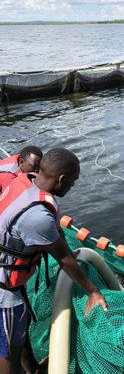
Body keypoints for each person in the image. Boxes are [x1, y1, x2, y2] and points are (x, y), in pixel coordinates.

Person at [0, 148, 107, 374]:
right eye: (73, 181)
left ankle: (33, 371)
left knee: (19, 340)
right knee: (8, 354)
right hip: (4, 293)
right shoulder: (37, 216)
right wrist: (92, 291)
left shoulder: (23, 181)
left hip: (11, 283)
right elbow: (64, 259)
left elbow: (57, 241)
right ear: (62, 179)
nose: (73, 186)